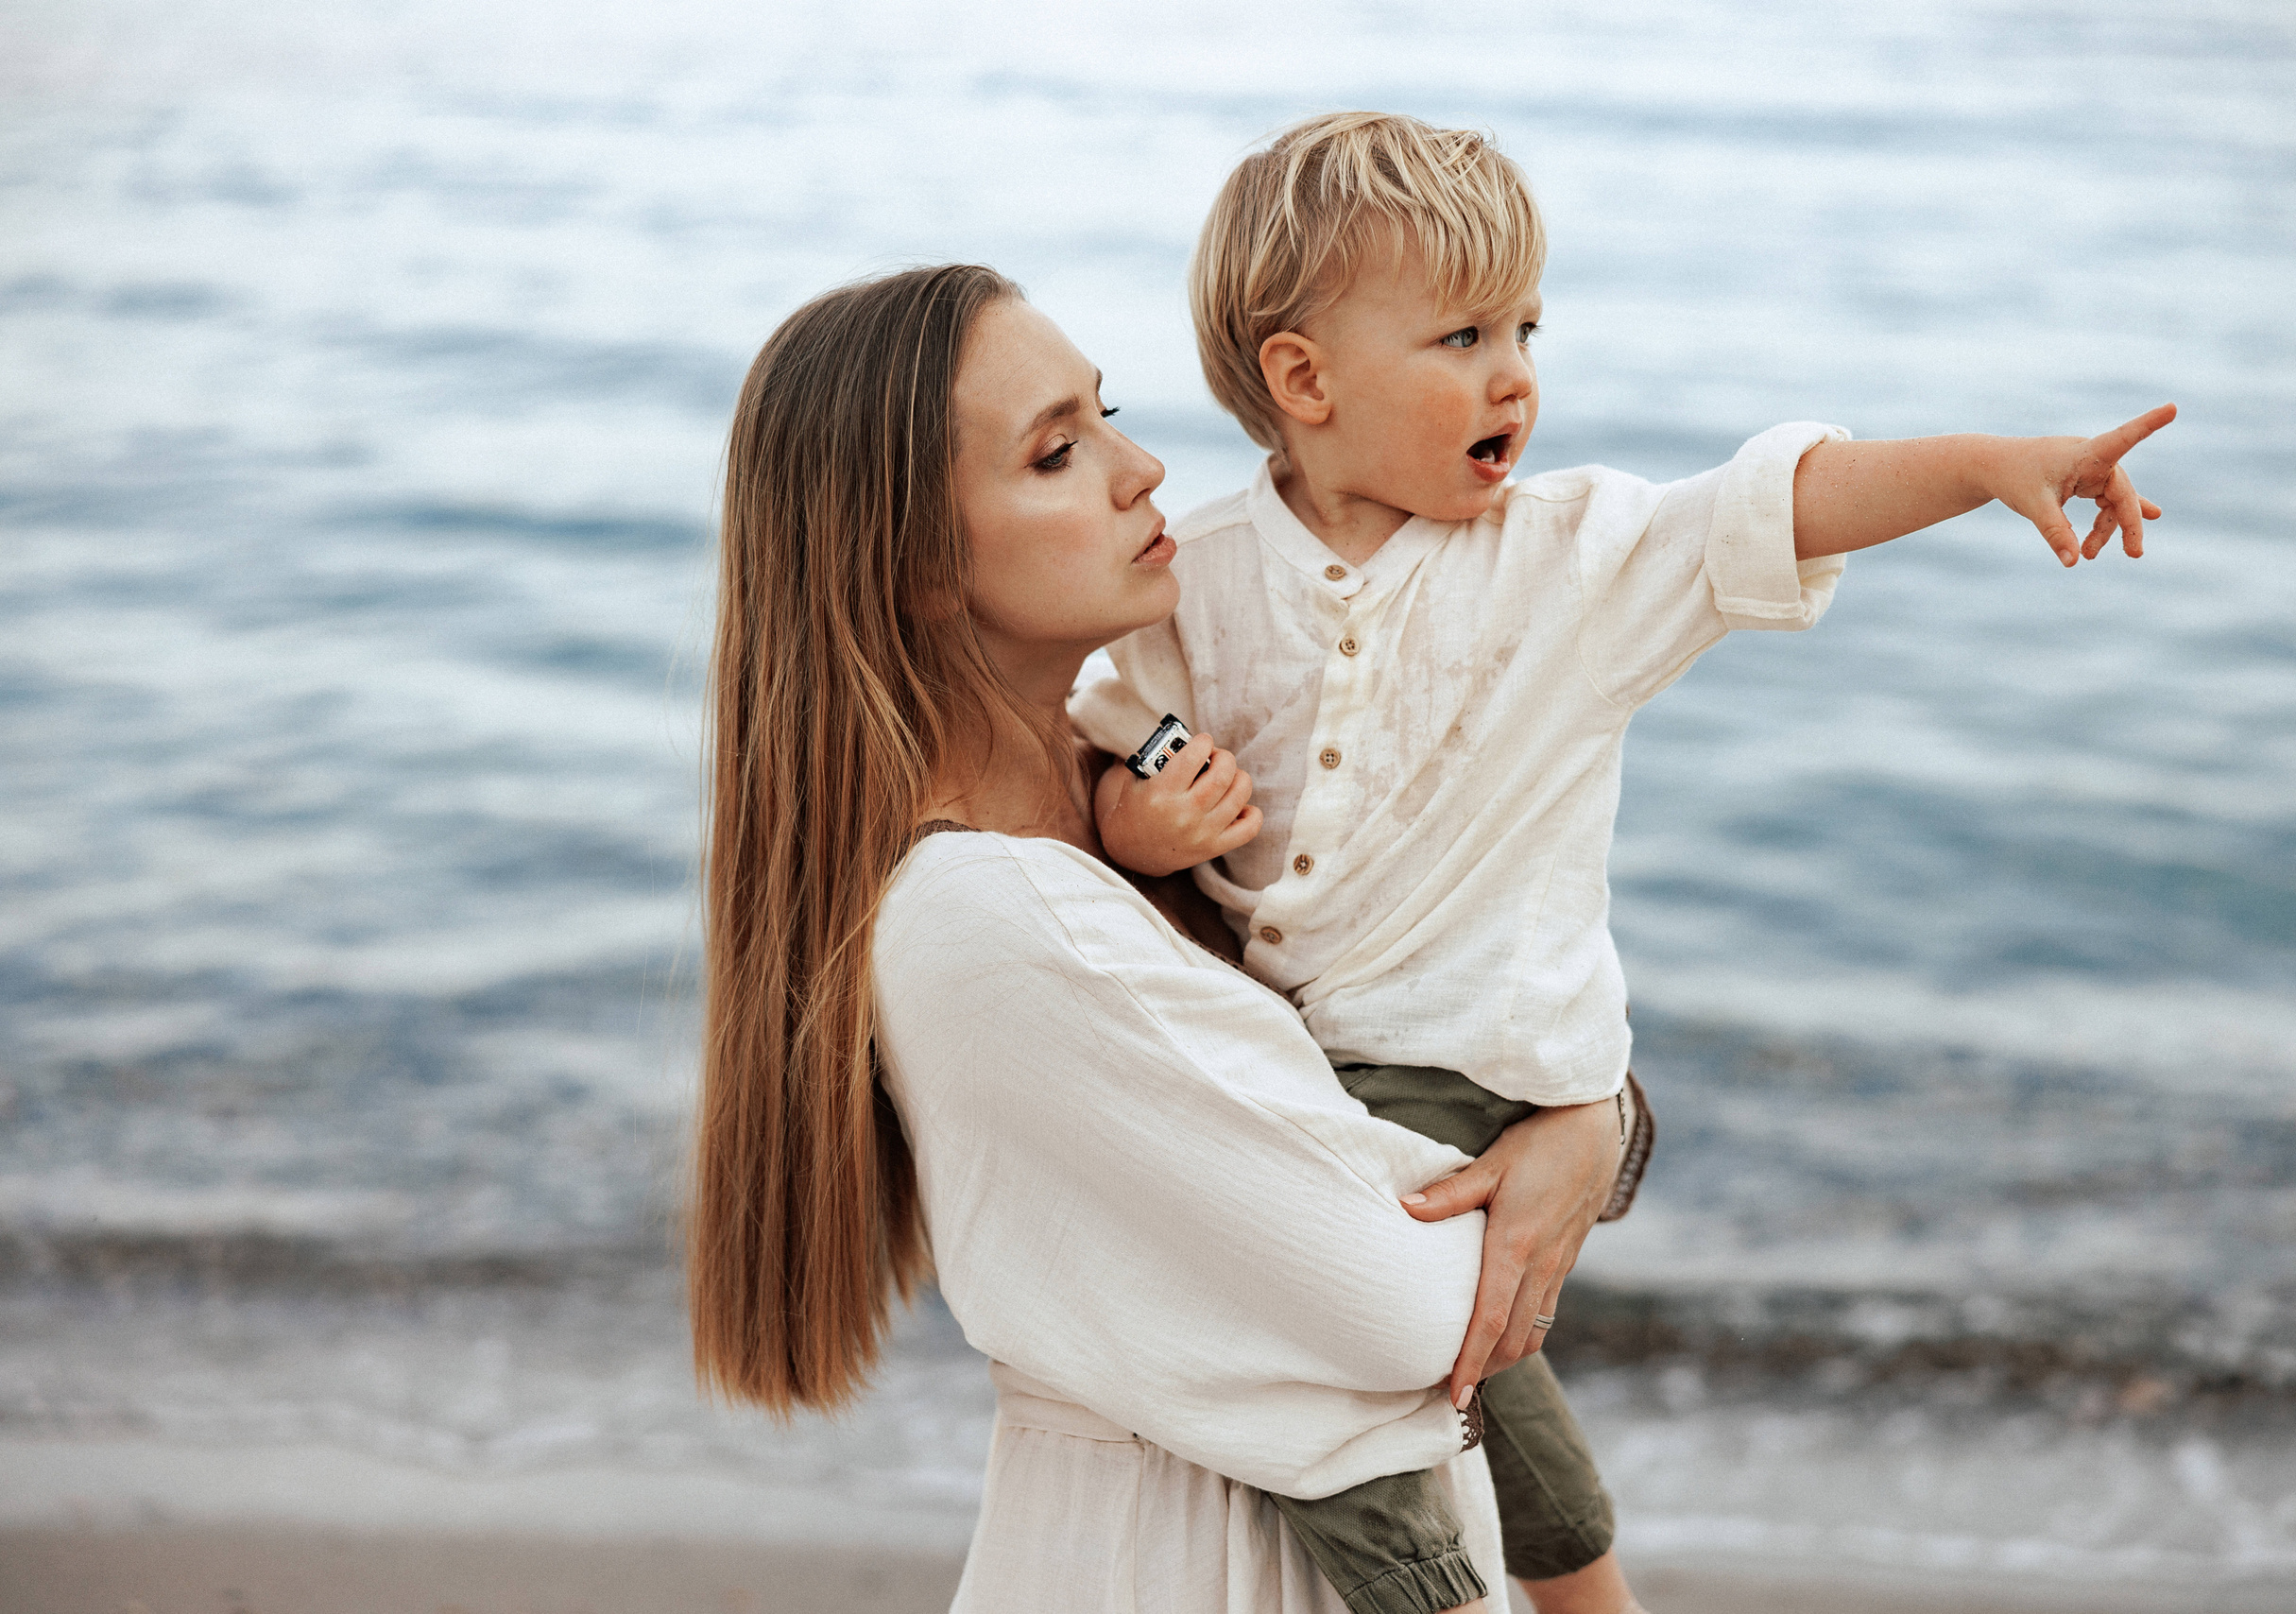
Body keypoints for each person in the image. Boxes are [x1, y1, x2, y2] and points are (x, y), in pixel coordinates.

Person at [1073, 111, 2174, 1614]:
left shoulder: (1571, 553)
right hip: (1305, 1068)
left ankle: (1433, 1597)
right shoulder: (1200, 577)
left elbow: (1774, 506)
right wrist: (1144, 821)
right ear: (1304, 379)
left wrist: (1990, 465)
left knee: (1341, 1357)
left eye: (1526, 328)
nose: (1515, 374)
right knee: (1472, 1380)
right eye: (1463, 336)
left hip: (1473, 1061)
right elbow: (1118, 747)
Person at [686, 262, 1635, 1613]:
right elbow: (1404, 1306)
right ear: (917, 568)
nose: (1142, 472)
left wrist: (1585, 1117)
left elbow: (1413, 1017)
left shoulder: (1143, 800)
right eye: (1056, 453)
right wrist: (1573, 1134)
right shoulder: (993, 916)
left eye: (1109, 416)